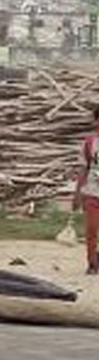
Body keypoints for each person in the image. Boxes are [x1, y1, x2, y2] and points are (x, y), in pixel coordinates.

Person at [75, 107, 99, 275]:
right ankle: (92, 263)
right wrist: (77, 193)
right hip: (92, 191)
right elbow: (83, 168)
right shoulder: (89, 142)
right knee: (91, 229)